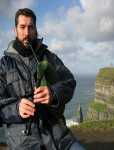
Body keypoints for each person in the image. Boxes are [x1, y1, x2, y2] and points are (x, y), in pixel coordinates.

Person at [0, 8, 85, 150]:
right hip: (24, 143)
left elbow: (69, 82)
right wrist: (16, 108)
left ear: (35, 29)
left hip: (60, 137)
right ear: (15, 30)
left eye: (30, 27)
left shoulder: (48, 57)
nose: (26, 33)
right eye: (22, 27)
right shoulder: (4, 65)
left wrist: (53, 93)